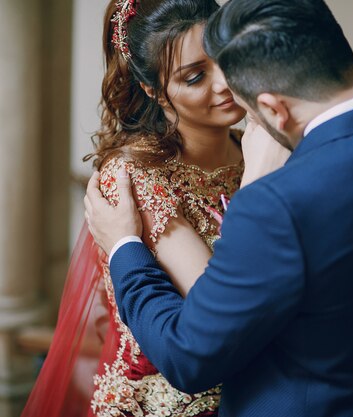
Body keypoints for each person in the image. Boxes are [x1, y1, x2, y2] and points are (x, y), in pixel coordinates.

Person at [85, 0, 353, 415]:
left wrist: (122, 245)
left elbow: (192, 353)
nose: (225, 85)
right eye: (195, 75)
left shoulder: (278, 197)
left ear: (274, 110)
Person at [21, 0, 288, 416]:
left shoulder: (253, 145)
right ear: (151, 89)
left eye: (225, 58)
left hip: (260, 390)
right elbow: (220, 308)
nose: (225, 83)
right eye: (196, 76)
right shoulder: (136, 177)